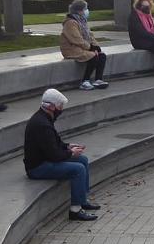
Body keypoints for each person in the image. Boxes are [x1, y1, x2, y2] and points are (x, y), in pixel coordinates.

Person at [24, 89, 99, 222]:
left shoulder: (44, 118)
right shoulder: (42, 124)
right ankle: (75, 210)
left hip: (45, 159)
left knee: (82, 159)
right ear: (52, 106)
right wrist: (71, 153)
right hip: (37, 167)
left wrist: (67, 146)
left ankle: (82, 200)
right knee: (78, 169)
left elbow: (53, 143)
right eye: (60, 106)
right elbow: (54, 155)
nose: (61, 109)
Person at [60, 0, 109, 91]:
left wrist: (96, 47)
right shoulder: (70, 22)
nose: (87, 11)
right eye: (85, 9)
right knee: (93, 56)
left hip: (81, 47)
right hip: (71, 49)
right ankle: (85, 81)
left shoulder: (82, 21)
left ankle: (98, 80)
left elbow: (90, 36)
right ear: (79, 10)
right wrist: (90, 48)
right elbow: (76, 39)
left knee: (102, 55)